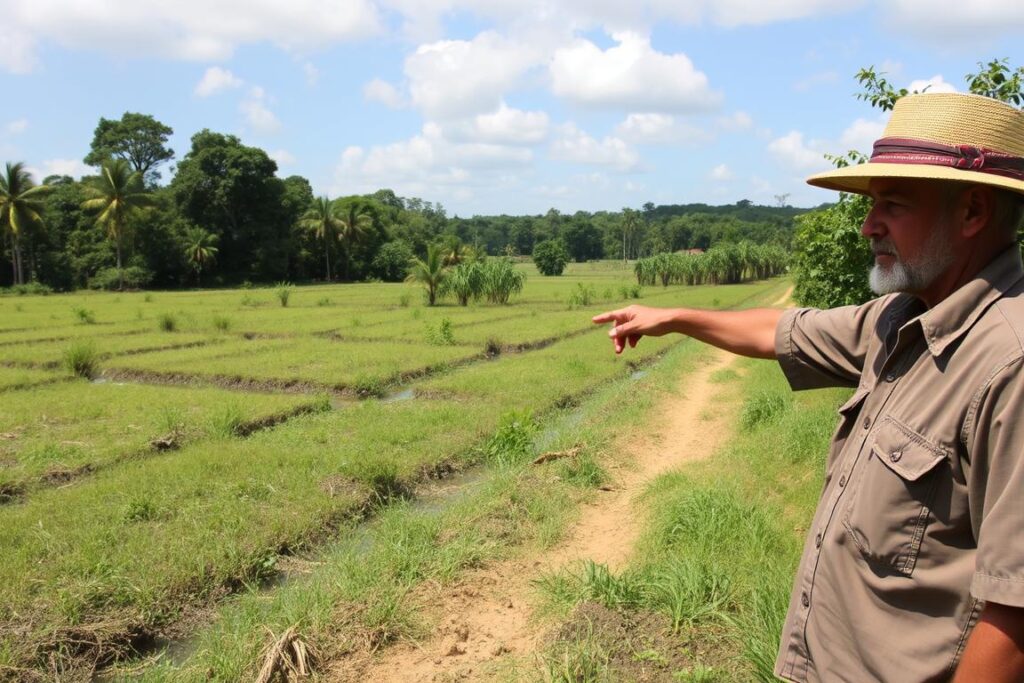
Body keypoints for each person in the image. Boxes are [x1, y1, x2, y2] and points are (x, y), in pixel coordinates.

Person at [593, 92, 1024, 682]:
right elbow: (784, 331)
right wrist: (671, 316)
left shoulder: (1009, 364)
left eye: (892, 205)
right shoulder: (901, 318)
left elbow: (1013, 616)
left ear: (972, 211)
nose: (869, 225)